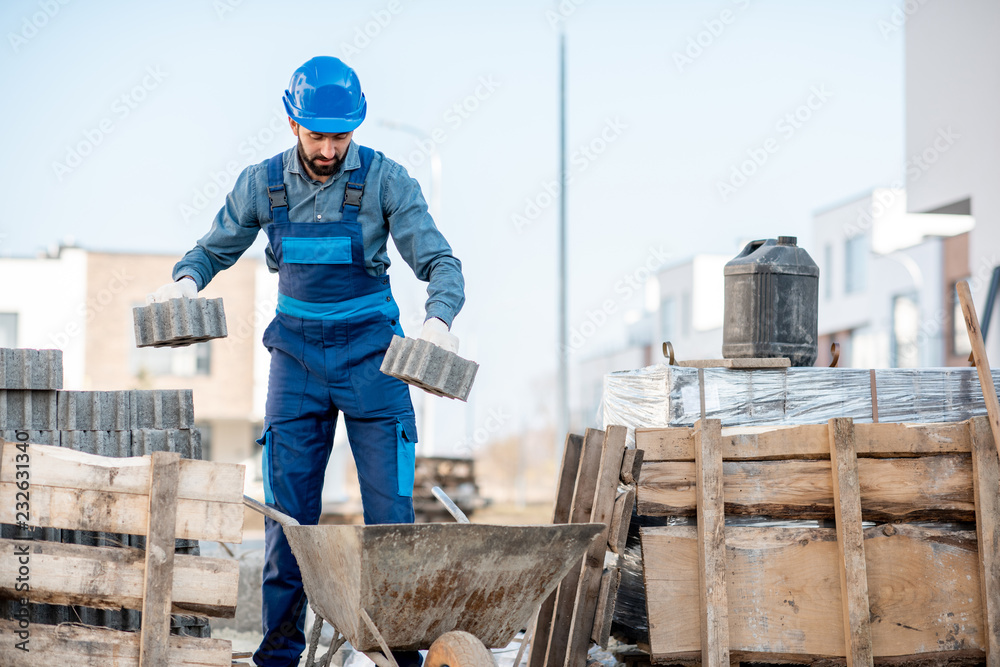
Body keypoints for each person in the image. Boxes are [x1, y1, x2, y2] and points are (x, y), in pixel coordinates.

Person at [147, 56, 465, 667]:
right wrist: (185, 283)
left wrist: (437, 322)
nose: (328, 148)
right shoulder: (262, 184)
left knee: (390, 525)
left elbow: (440, 263)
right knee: (287, 523)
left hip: (375, 359)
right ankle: (279, 655)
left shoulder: (387, 182)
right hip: (295, 360)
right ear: (293, 123)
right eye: (317, 135)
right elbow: (213, 249)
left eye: (340, 136)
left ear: (356, 127)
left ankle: (398, 657)